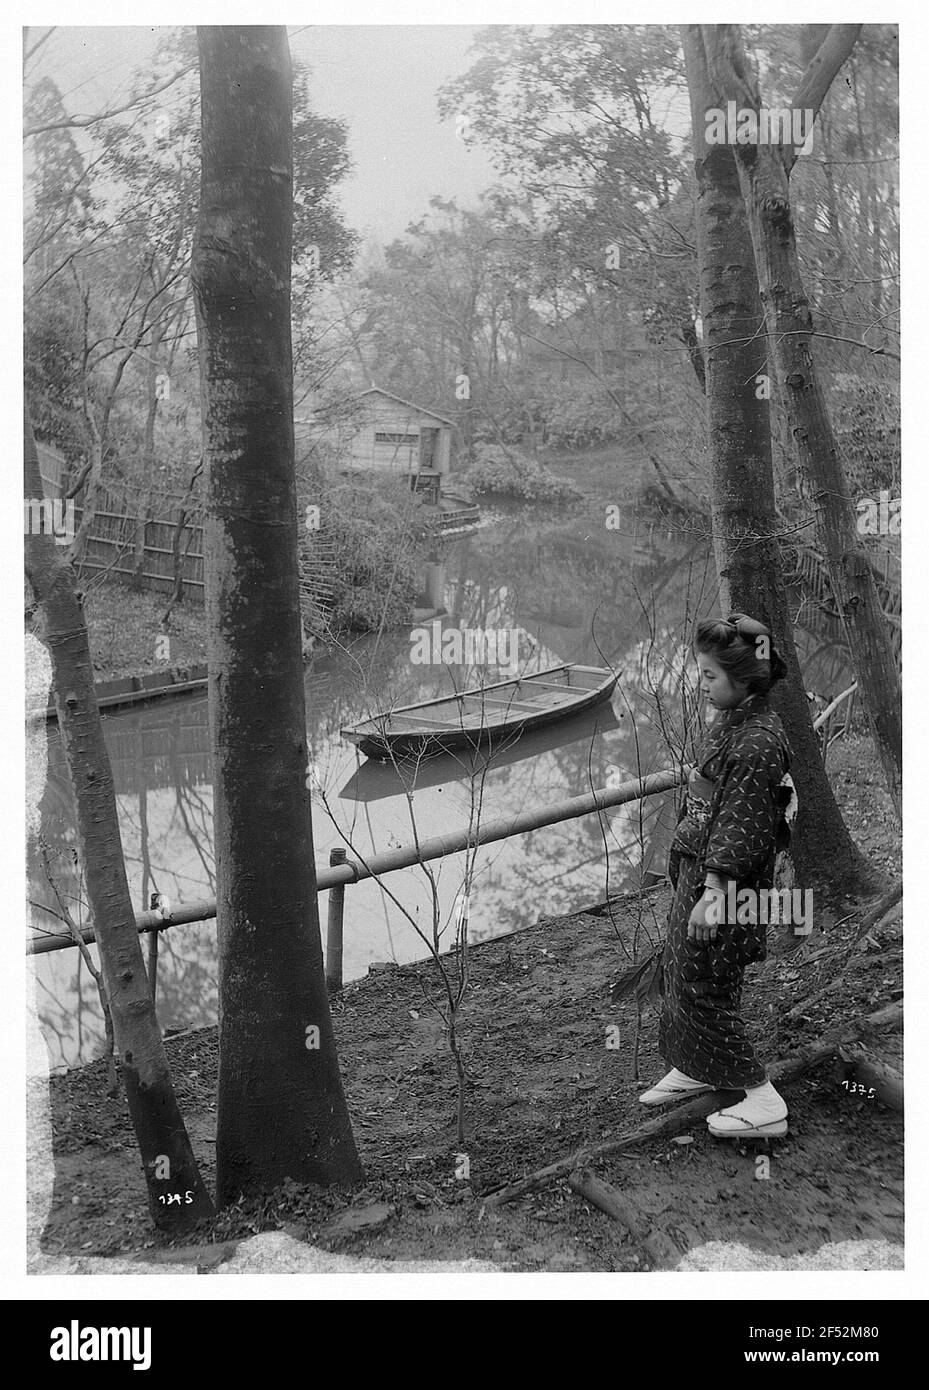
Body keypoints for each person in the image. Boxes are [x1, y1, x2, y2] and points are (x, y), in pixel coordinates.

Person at [640, 612, 794, 1138]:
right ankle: (697, 1065)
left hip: (727, 889)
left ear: (744, 677)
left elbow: (740, 829)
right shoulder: (735, 721)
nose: (700, 684)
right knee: (682, 970)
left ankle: (761, 1099)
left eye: (709, 676)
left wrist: (712, 895)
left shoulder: (756, 743)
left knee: (704, 981)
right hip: (700, 875)